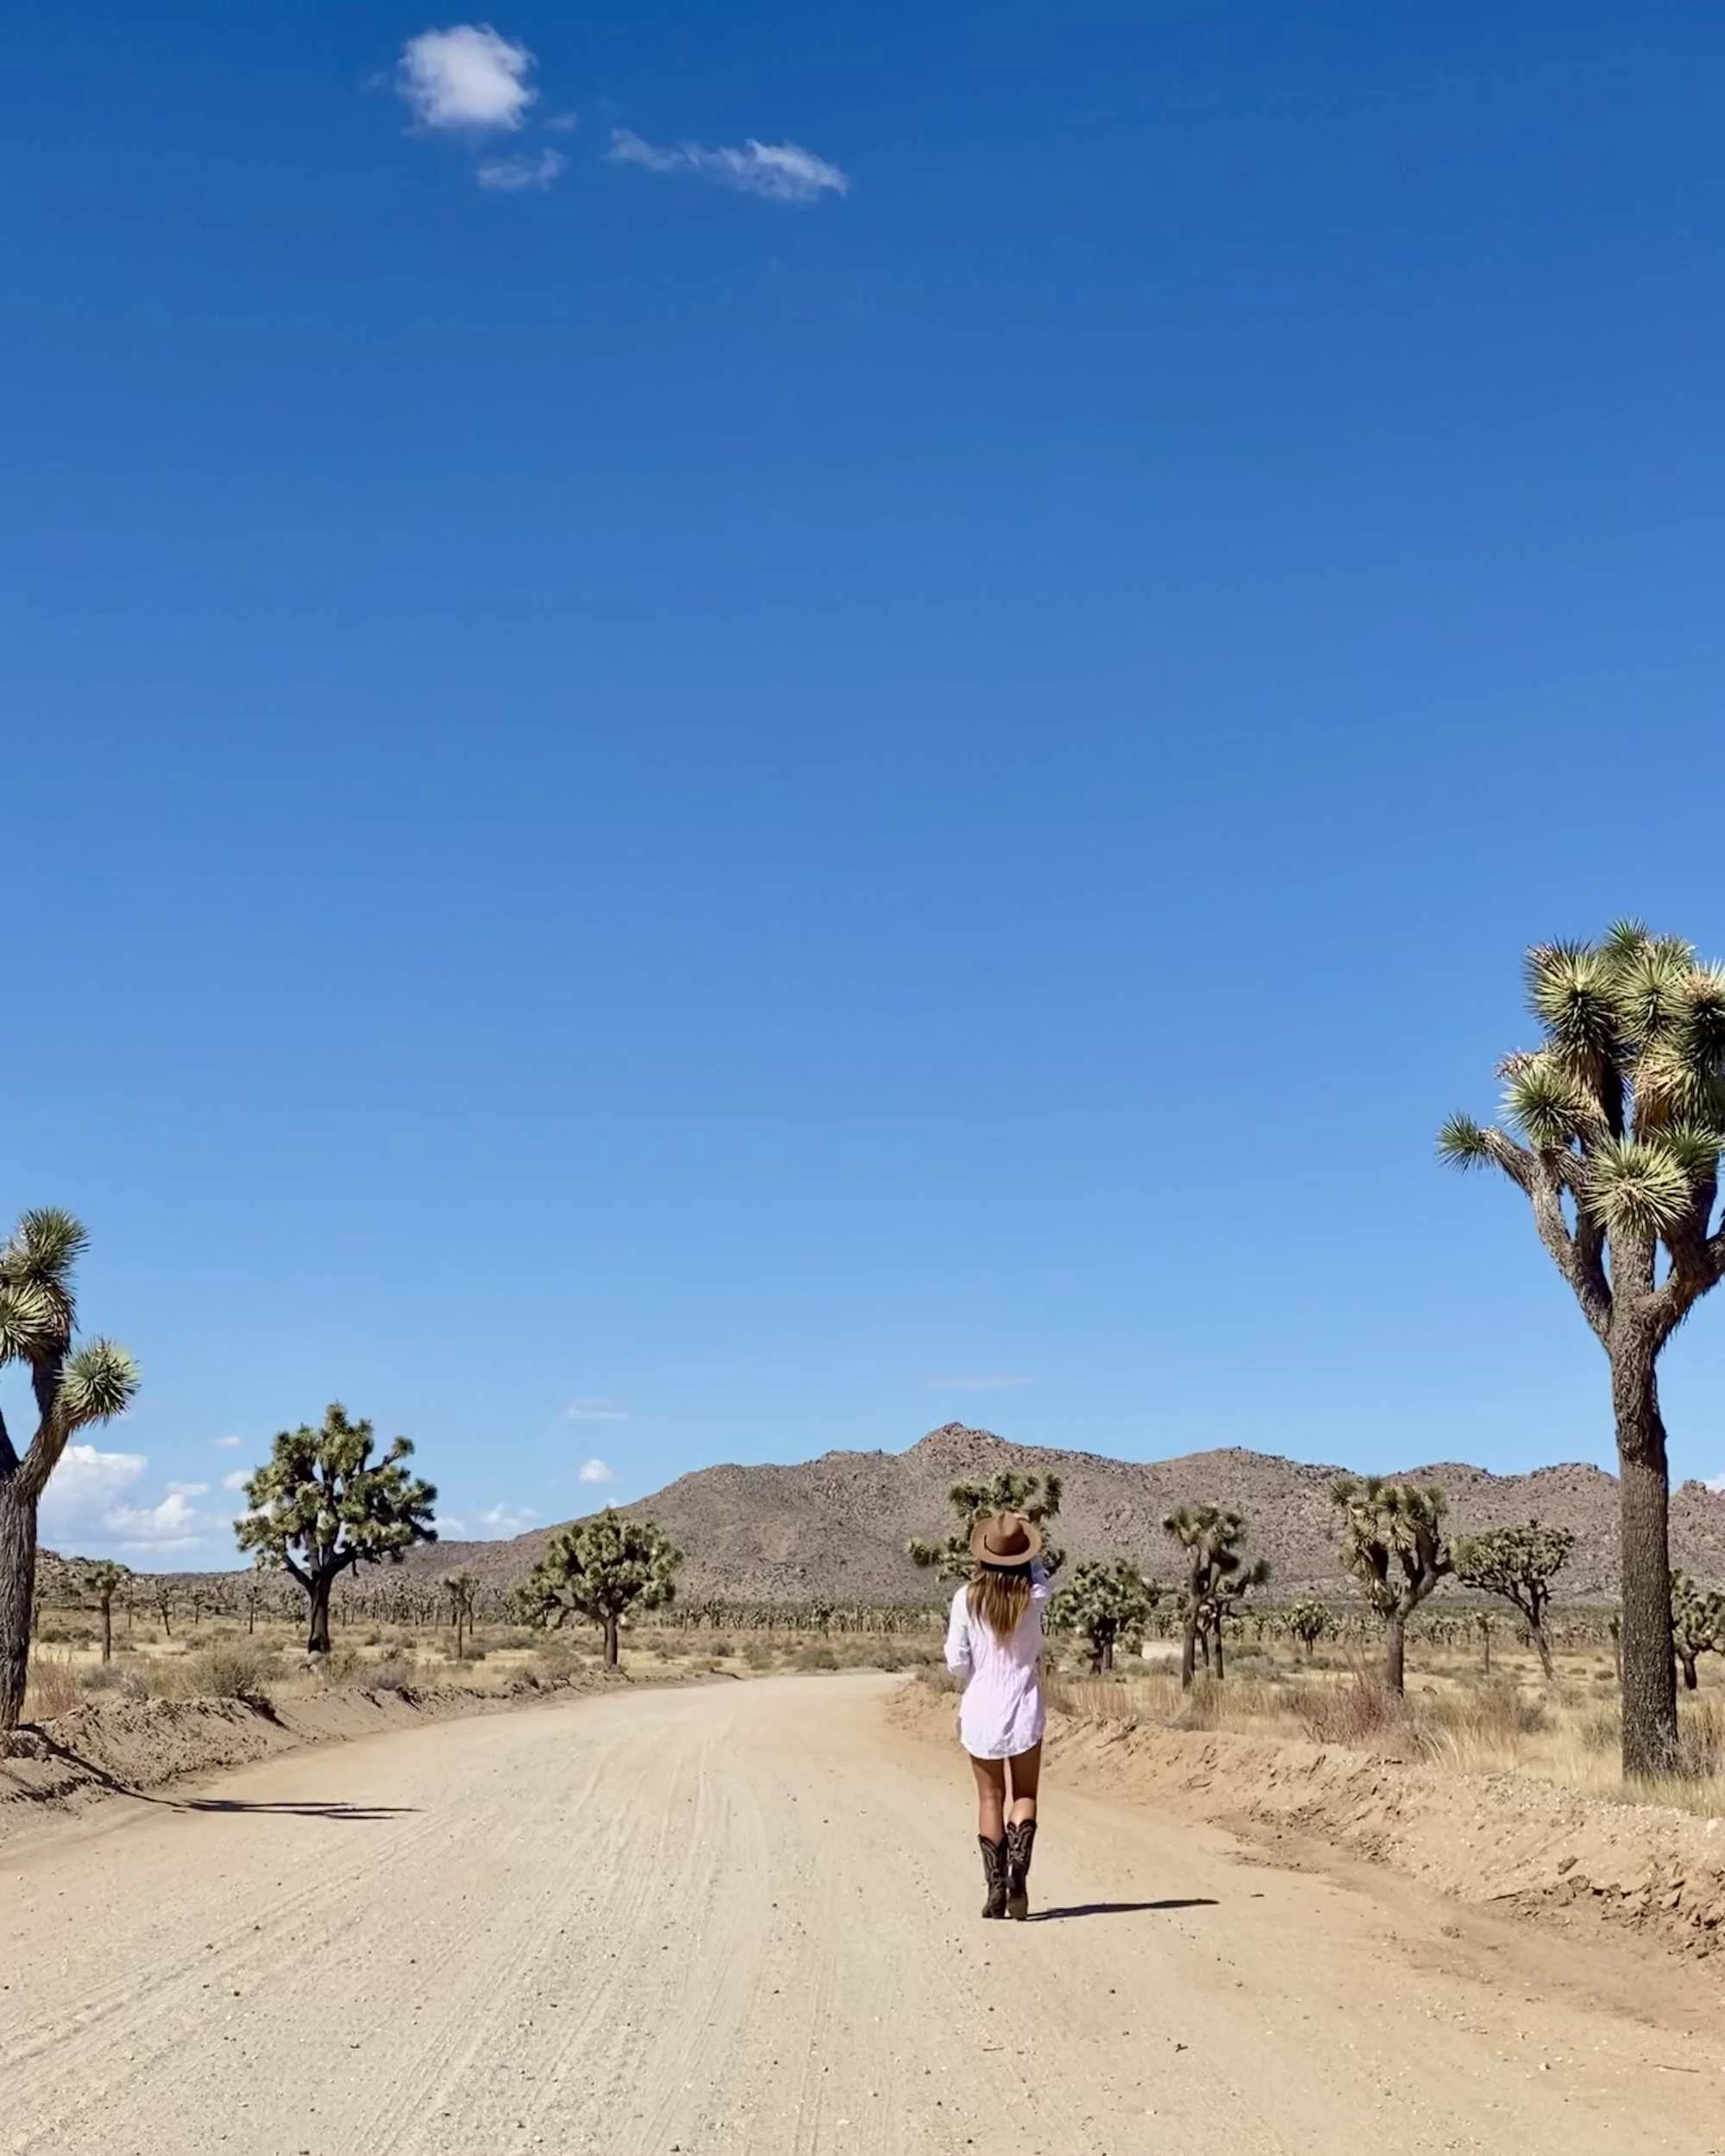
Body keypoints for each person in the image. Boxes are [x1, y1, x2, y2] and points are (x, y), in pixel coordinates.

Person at [944, 1509, 1052, 1920]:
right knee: (1024, 1795)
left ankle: (995, 1888)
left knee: (990, 1797)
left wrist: (976, 1676)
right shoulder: (1035, 1597)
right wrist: (1029, 1537)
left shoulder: (964, 1599)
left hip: (981, 1708)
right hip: (1024, 1705)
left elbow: (956, 1661)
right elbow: (1042, 1575)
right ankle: (1019, 1876)